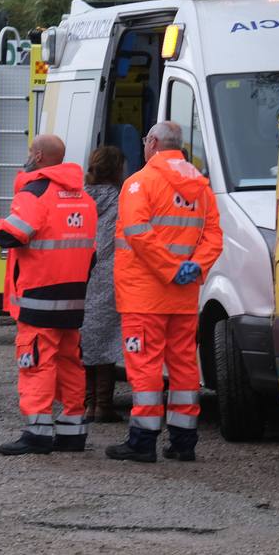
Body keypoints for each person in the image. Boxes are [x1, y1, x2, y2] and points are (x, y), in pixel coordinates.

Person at [105, 121, 223, 463]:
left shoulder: (139, 183)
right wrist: (195, 267)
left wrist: (170, 269)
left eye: (145, 140)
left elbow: (140, 235)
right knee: (184, 366)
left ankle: (142, 440)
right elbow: (214, 236)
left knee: (145, 365)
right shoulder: (201, 186)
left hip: (145, 294)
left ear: (153, 143)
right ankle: (184, 441)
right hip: (184, 297)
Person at [0, 134, 98, 455]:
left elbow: (16, 233)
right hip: (73, 299)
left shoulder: (33, 192)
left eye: (28, 152)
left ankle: (37, 433)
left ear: (38, 156)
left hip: (39, 297)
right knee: (69, 363)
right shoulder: (84, 198)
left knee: (36, 361)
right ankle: (72, 432)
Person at [81, 146, 126, 424]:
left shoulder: (80, 198)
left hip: (81, 273)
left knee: (84, 338)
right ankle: (103, 405)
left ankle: (87, 404)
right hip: (109, 274)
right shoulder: (120, 199)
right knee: (107, 339)